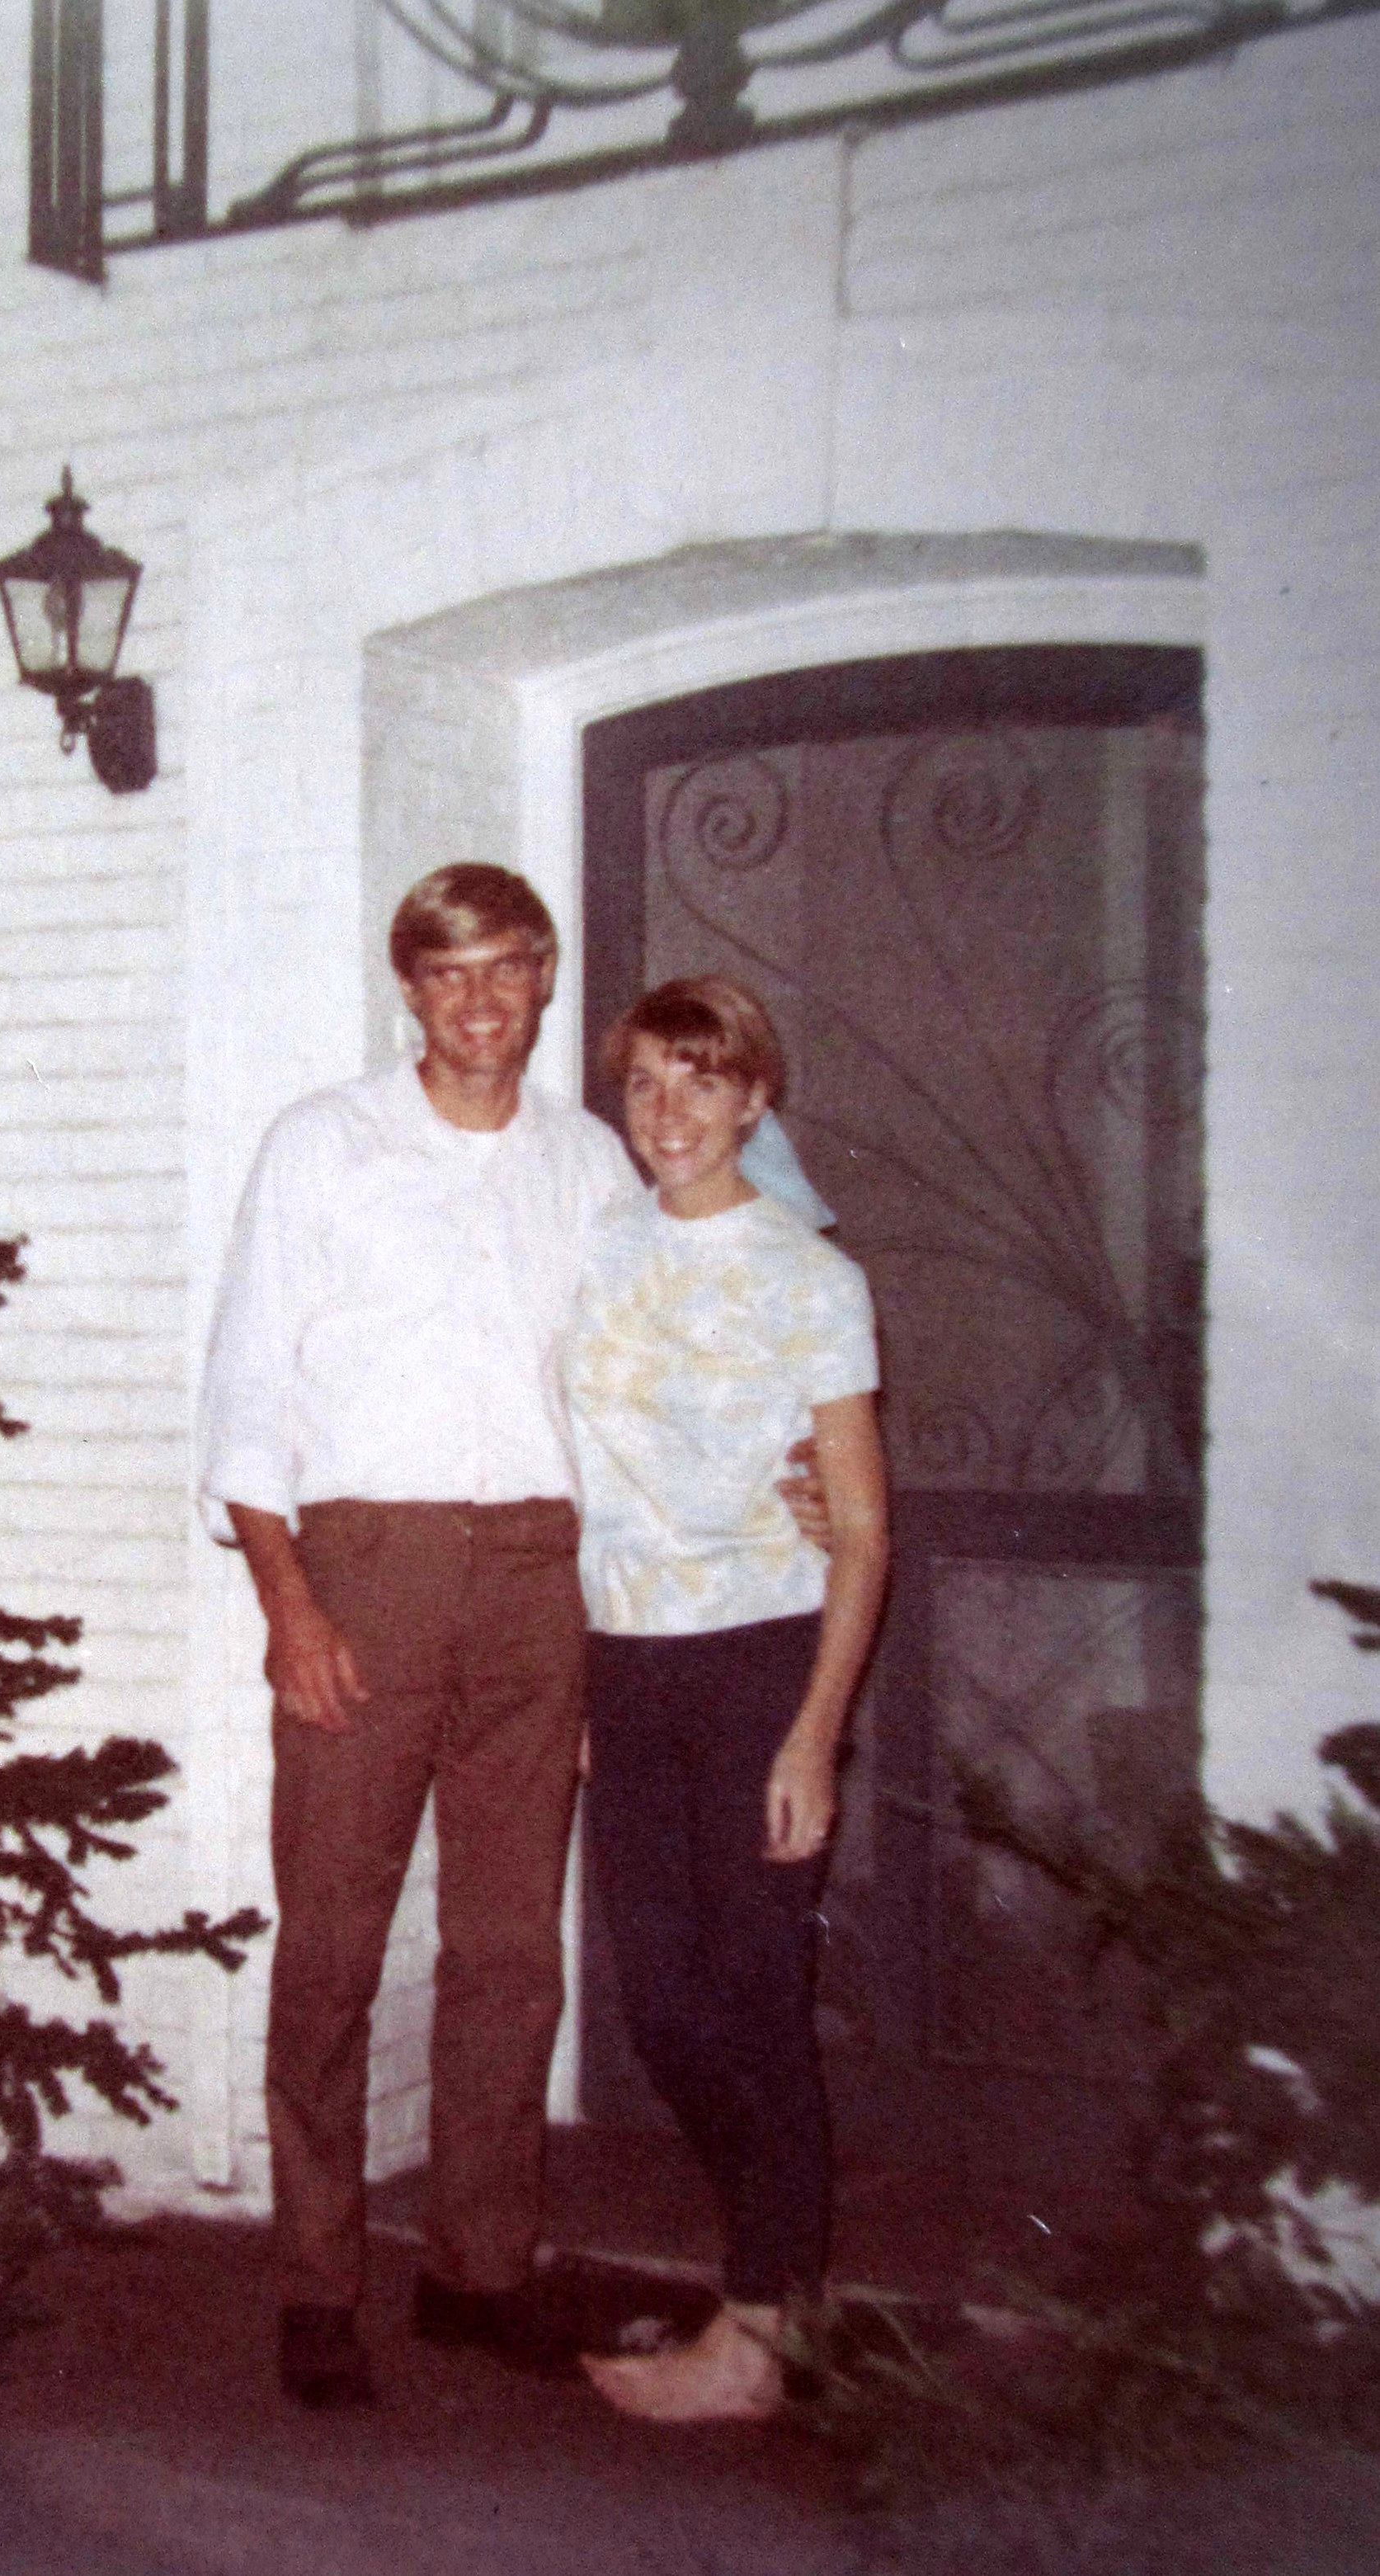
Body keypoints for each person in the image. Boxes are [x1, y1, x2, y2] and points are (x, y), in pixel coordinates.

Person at [196, 868, 830, 2409]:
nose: (480, 1001)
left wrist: (809, 1455)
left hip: (550, 1577)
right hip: (369, 1567)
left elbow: (698, 1324)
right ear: (408, 988)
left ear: (545, 979)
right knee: (335, 1940)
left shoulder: (594, 1162)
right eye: (449, 972)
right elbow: (247, 1387)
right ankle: (317, 2281)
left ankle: (479, 2270)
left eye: (508, 969)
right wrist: (289, 1605)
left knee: (506, 1948)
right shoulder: (322, 1144)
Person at [564, 974, 888, 2425]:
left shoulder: (812, 1279)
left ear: (757, 1097)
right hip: (624, 1661)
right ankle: (785, 2288)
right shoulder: (597, 1244)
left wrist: (815, 1733)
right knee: (659, 2008)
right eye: (645, 1081)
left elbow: (863, 1530)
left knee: (754, 1999)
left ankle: (755, 2328)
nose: (670, 1110)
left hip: (761, 1656)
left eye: (703, 1080)